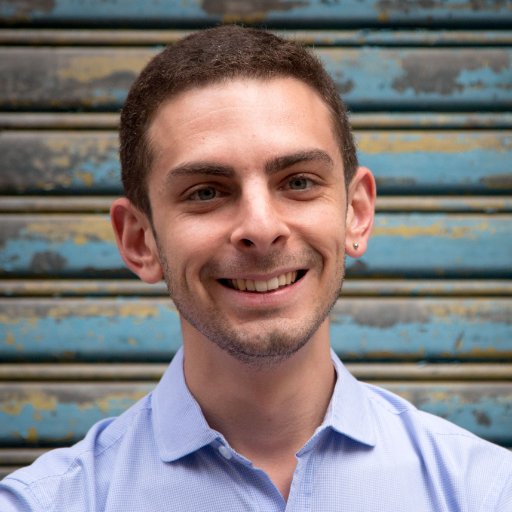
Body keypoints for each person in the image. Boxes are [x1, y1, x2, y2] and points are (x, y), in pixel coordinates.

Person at [1, 25, 511, 512]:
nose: (261, 228)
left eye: (299, 182)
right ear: (140, 241)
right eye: (206, 192)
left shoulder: (485, 493)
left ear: (356, 212)